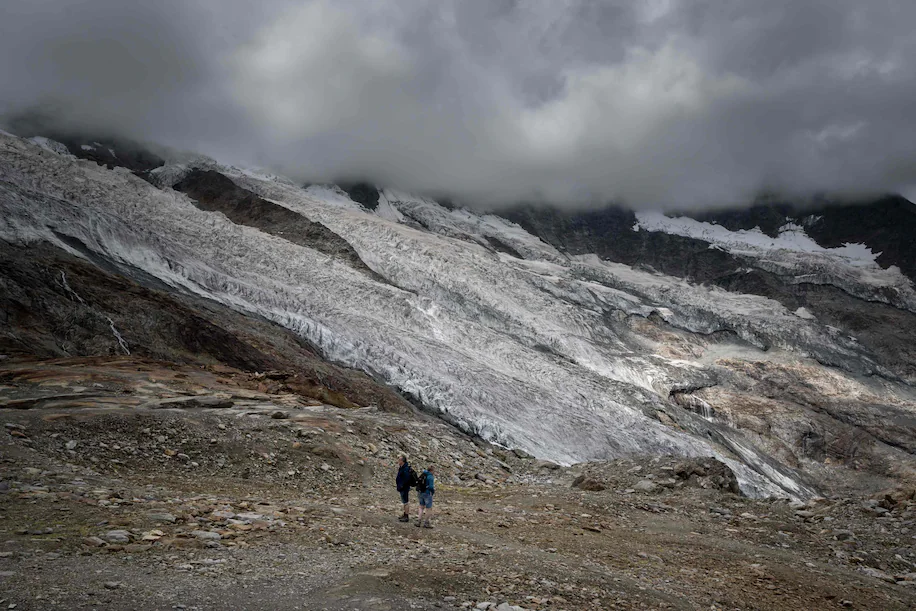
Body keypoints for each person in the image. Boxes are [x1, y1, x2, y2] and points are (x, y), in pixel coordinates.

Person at [395, 455, 412, 522]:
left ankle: (406, 516)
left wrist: (401, 485)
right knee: (404, 502)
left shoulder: (405, 469)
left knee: (406, 502)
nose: (398, 461)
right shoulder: (402, 468)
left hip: (404, 488)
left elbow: (406, 479)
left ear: (402, 461)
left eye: (399, 460)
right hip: (402, 487)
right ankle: (405, 514)